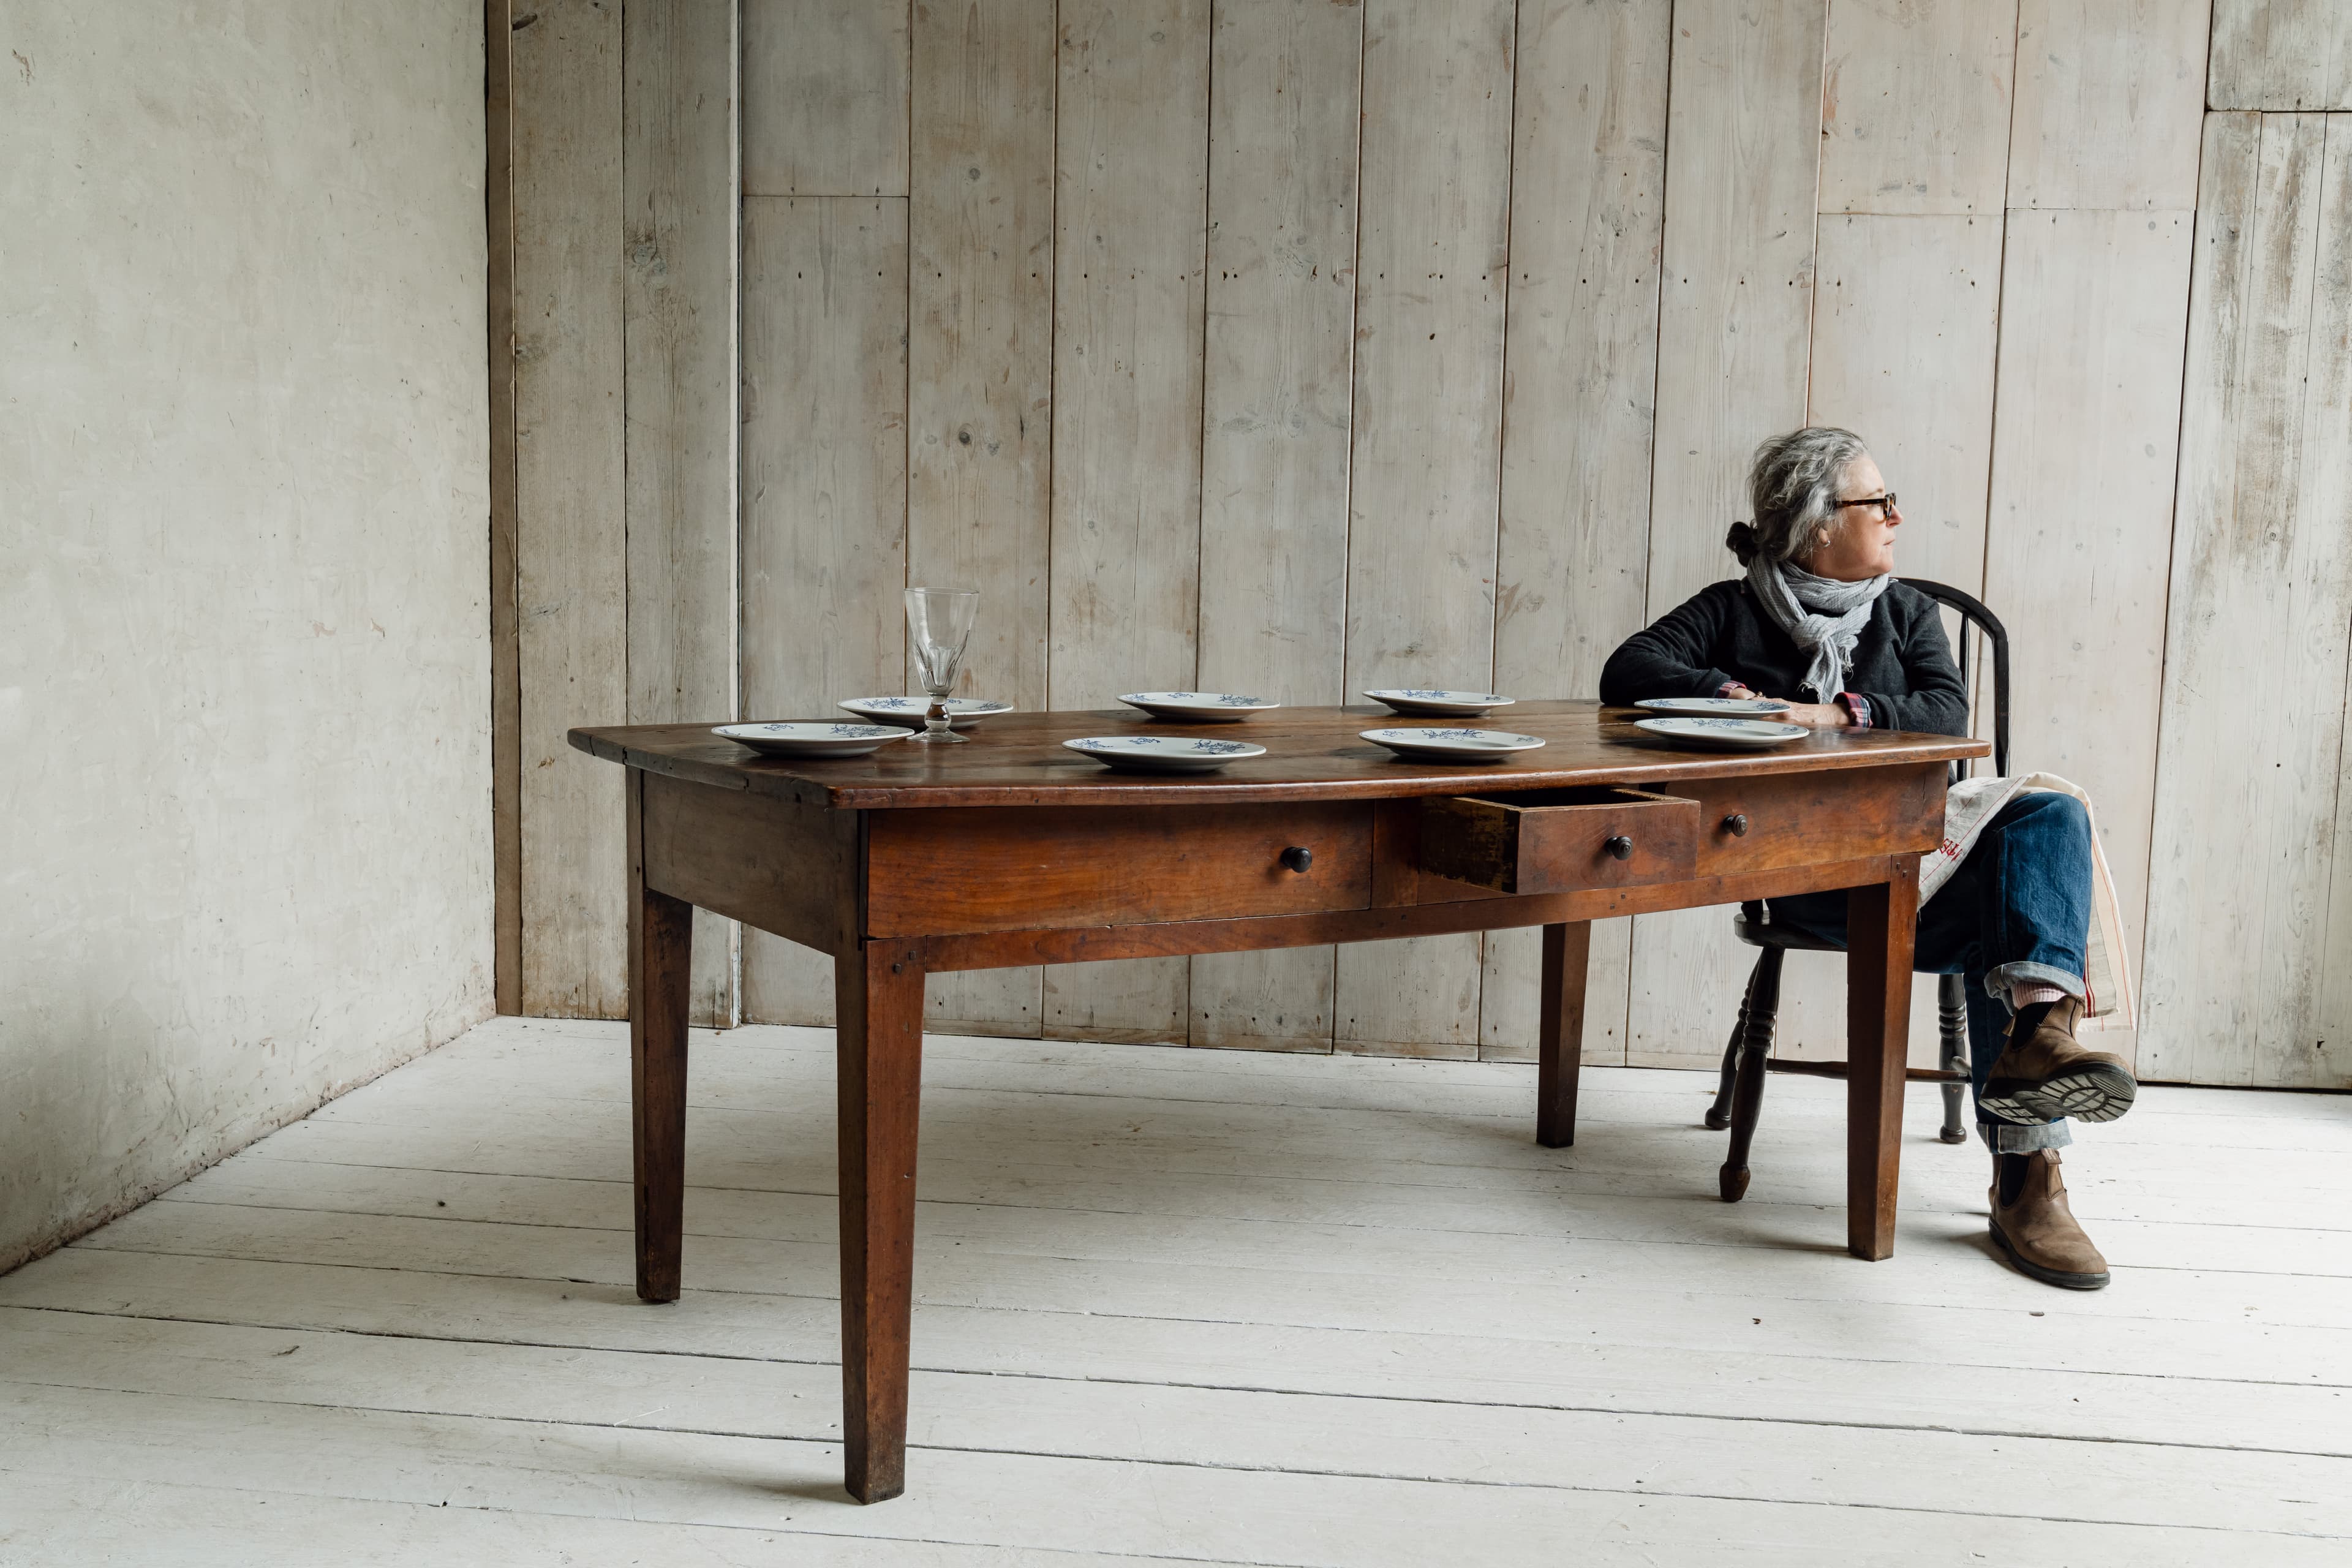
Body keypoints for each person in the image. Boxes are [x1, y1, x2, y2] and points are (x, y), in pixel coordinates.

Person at [1599, 426, 2136, 1291]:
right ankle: (2030, 1173)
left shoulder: (1905, 611)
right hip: (1798, 879)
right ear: (1816, 525)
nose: (1896, 515)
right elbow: (1629, 669)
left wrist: (1842, 713)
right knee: (2018, 913)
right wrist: (1742, 698)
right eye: (1876, 501)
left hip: (1917, 867)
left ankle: (2039, 1063)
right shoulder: (1731, 611)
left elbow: (1945, 709)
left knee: (2048, 813)